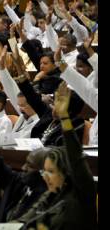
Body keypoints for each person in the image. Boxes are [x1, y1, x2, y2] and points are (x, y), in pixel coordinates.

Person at [15, 82, 97, 230]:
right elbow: (24, 221)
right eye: (44, 171)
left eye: (51, 171)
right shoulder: (51, 193)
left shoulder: (81, 191)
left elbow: (75, 157)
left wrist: (64, 117)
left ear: (66, 172)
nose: (45, 176)